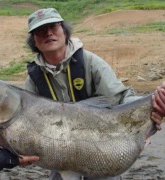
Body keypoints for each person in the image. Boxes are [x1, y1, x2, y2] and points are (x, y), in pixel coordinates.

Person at [25, 8, 165, 180]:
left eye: (53, 26)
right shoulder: (33, 79)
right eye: (40, 30)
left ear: (64, 30)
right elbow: (26, 121)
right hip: (59, 152)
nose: (48, 33)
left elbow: (121, 98)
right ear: (34, 41)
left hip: (100, 144)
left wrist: (154, 104)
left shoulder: (91, 63)